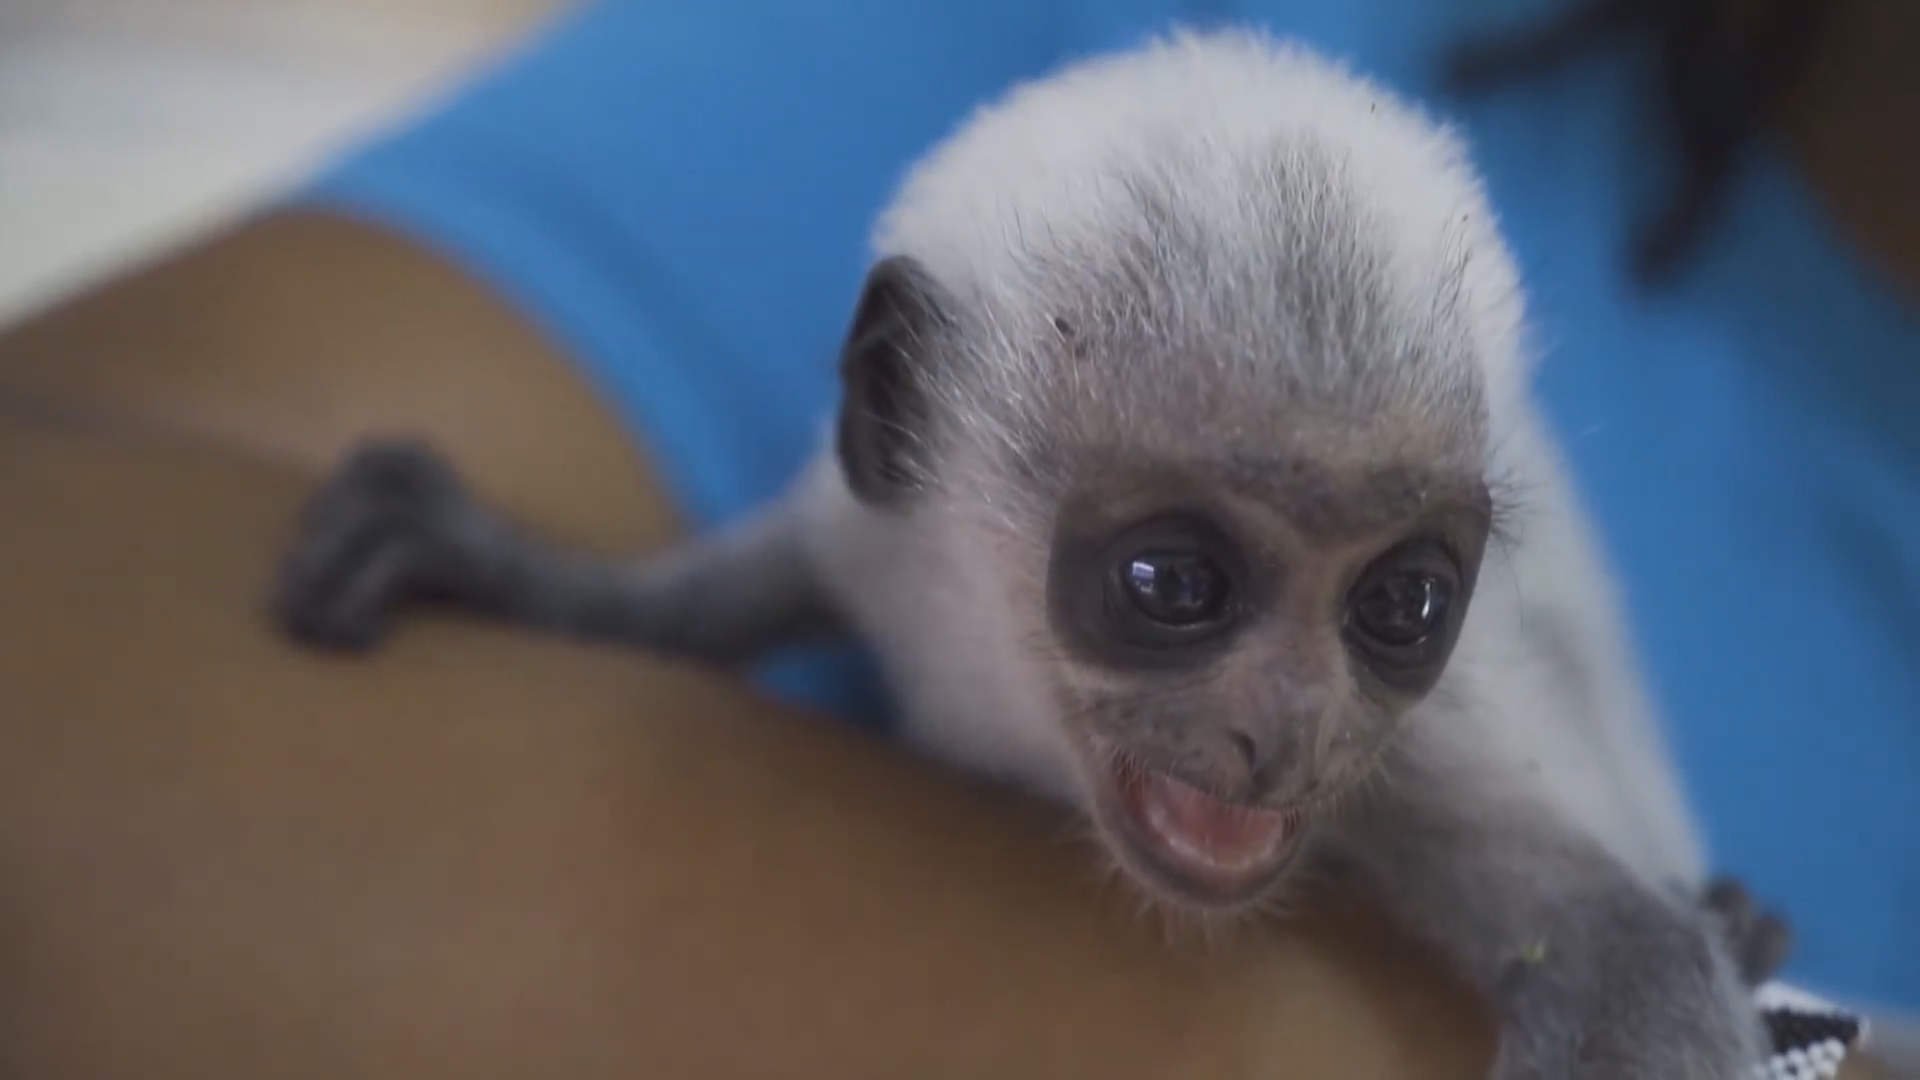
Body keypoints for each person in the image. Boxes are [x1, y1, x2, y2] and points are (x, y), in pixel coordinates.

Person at [294, 0, 1918, 1015]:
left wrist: (1663, 962)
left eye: (1398, 606)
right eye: (1176, 582)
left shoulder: (1430, 716)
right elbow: (785, 575)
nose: (1291, 726)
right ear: (905, 420)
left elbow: (1623, 963)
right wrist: (554, 596)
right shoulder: (925, 460)